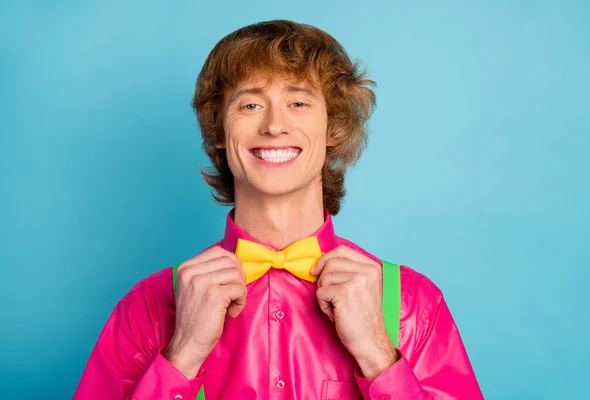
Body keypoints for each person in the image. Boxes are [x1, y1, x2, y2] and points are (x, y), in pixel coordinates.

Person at [74, 20, 484, 399]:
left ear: (333, 129)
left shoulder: (414, 305)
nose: (274, 126)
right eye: (250, 105)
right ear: (219, 131)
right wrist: (181, 357)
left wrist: (380, 358)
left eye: (299, 103)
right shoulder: (147, 306)